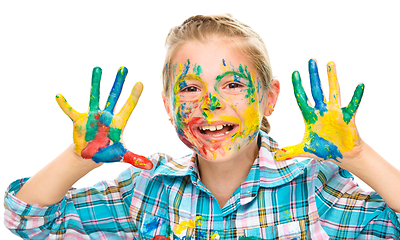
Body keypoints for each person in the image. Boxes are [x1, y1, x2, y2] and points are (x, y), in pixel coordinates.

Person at [4, 14, 400, 239]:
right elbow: (28, 220)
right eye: (191, 88)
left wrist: (357, 156)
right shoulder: (149, 187)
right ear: (168, 106)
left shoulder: (313, 187)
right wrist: (79, 158)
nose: (210, 106)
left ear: (269, 97)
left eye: (232, 85)